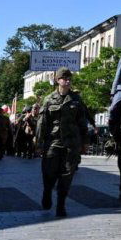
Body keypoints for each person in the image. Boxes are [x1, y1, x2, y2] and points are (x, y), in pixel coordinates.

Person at [34, 67, 91, 218]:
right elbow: (42, 123)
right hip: (53, 143)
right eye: (63, 78)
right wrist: (39, 144)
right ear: (57, 80)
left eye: (69, 78)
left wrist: (85, 142)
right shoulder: (48, 100)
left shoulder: (76, 100)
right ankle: (47, 192)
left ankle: (61, 205)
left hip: (71, 144)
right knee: (49, 174)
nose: (67, 80)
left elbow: (82, 123)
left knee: (67, 175)